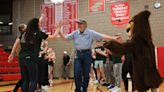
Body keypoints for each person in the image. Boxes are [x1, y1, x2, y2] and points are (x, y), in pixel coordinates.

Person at [104, 10, 162, 92]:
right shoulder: (148, 40)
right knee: (153, 86)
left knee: (143, 87)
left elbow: (123, 48)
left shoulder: (138, 40)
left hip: (141, 70)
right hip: (150, 69)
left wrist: (110, 44)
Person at [59, 19, 117, 92]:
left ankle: (84, 88)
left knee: (86, 74)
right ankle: (78, 89)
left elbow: (101, 36)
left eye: (81, 24)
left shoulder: (90, 32)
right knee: (77, 73)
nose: (79, 25)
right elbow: (65, 38)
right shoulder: (75, 33)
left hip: (87, 54)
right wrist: (59, 31)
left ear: (85, 25)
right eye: (78, 24)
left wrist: (113, 38)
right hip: (78, 55)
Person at [8, 16, 62, 92]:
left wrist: (11, 54)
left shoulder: (24, 33)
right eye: (39, 23)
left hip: (22, 58)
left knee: (26, 80)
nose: (40, 25)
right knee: (33, 81)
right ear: (36, 25)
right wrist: (58, 28)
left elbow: (16, 42)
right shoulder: (39, 33)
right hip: (31, 59)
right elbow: (53, 37)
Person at [11, 24, 27, 92]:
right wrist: (13, 54)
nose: (27, 27)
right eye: (25, 26)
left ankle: (16, 89)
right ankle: (16, 89)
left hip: (24, 57)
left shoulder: (25, 36)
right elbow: (15, 46)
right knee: (24, 77)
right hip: (23, 58)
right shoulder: (21, 36)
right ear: (23, 29)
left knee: (25, 77)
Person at [122, 21, 135, 92]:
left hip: (133, 60)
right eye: (128, 31)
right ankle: (126, 89)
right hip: (127, 60)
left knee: (133, 76)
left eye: (129, 31)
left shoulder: (135, 40)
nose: (128, 32)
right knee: (123, 74)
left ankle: (133, 89)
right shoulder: (127, 41)